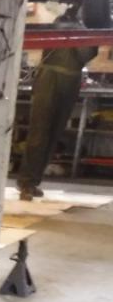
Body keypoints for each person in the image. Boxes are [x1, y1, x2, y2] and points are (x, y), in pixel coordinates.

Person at [16, 45, 97, 201]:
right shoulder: (64, 22)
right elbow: (82, 53)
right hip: (49, 78)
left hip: (70, 81)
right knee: (39, 132)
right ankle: (26, 182)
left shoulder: (91, 24)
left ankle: (32, 181)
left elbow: (85, 55)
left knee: (54, 133)